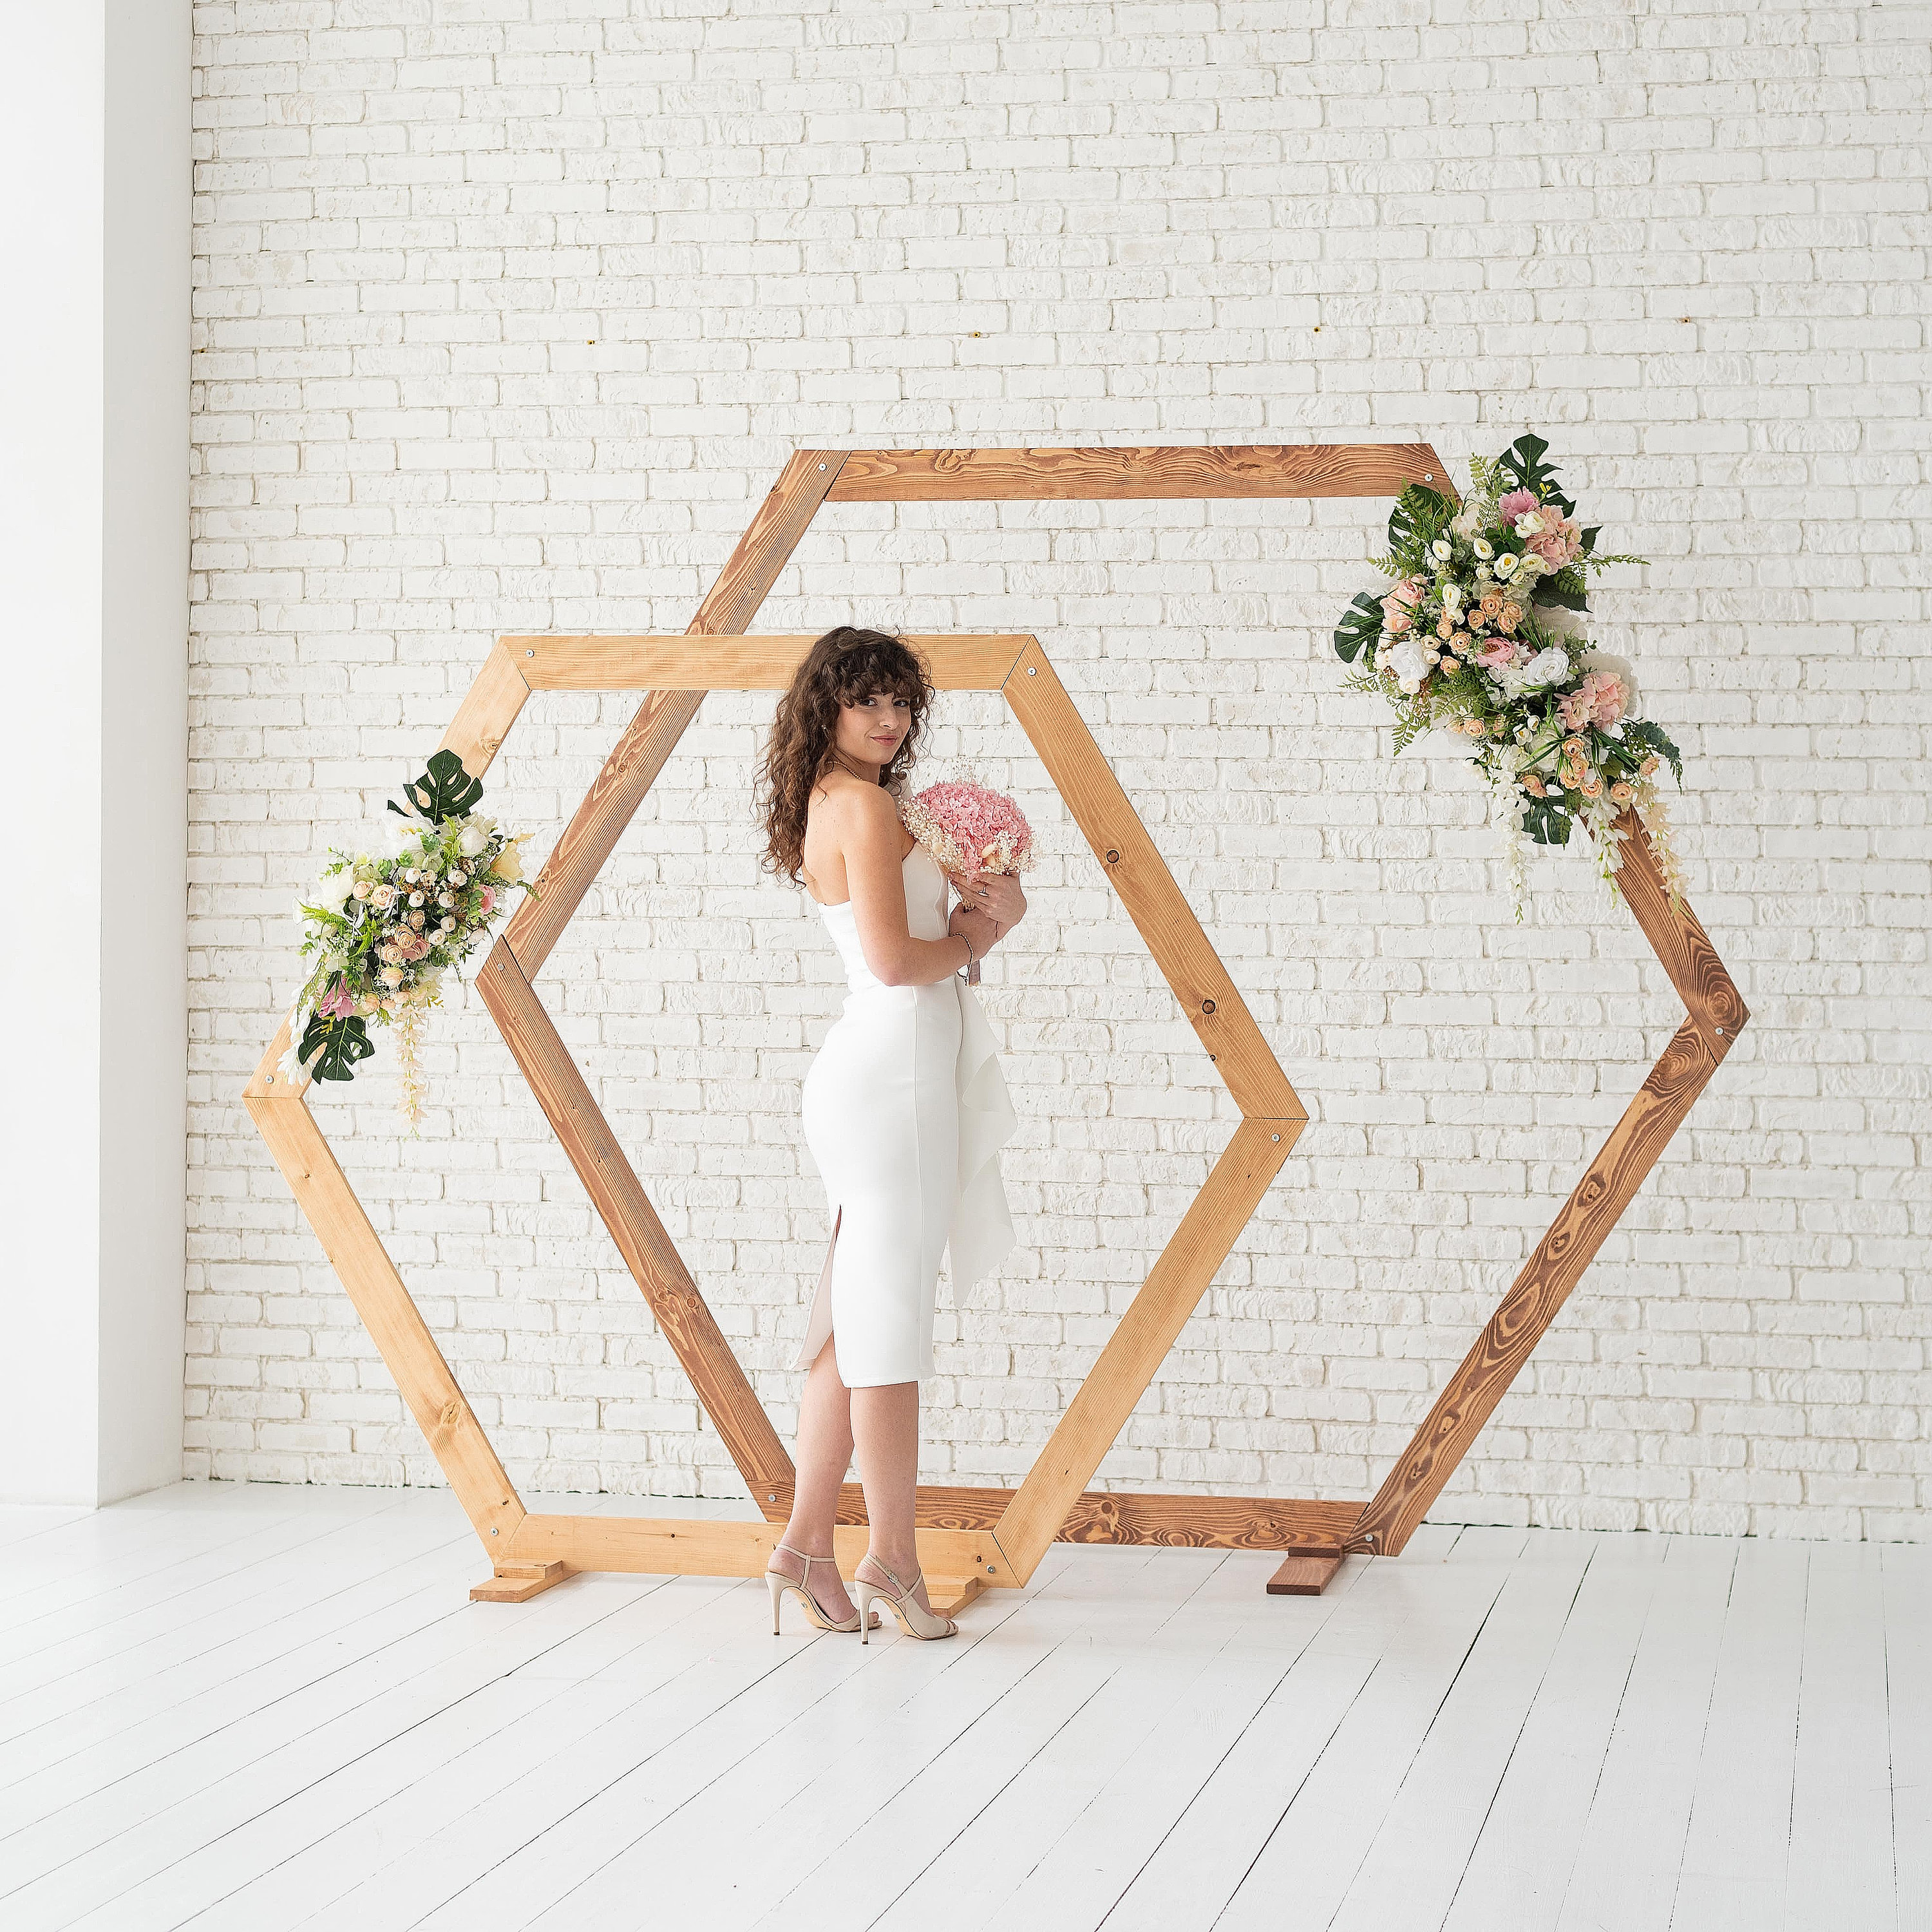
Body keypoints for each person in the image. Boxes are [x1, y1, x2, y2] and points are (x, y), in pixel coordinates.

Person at [753, 627, 1025, 1640]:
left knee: (854, 1319)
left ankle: (804, 1546)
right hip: (892, 1080)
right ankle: (895, 1560)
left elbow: (919, 955)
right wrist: (984, 929)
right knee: (889, 1326)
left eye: (902, 701)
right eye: (867, 700)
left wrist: (976, 920)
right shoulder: (863, 808)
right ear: (824, 708)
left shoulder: (842, 801)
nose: (889, 719)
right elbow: (897, 964)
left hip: (880, 1076)